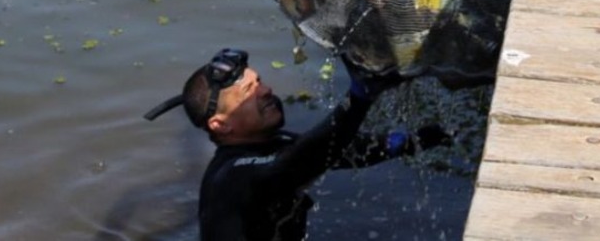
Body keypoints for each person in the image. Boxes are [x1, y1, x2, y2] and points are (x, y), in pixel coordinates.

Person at [144, 47, 446, 241]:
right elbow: (300, 161)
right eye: (249, 91)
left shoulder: (270, 145)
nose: (266, 90)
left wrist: (413, 141)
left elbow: (340, 151)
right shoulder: (232, 175)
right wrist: (358, 99)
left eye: (259, 81)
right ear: (221, 125)